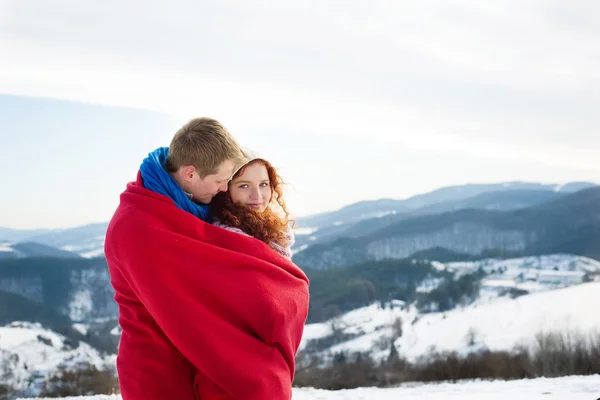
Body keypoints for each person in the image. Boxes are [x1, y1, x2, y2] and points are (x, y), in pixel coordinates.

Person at [104, 118, 310, 400]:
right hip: (162, 376)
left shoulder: (184, 200)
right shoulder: (140, 226)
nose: (225, 190)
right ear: (190, 173)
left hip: (196, 366)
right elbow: (204, 300)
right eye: (221, 181)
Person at [211, 156, 294, 259]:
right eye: (244, 186)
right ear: (226, 189)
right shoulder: (228, 238)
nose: (257, 195)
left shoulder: (275, 230)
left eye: (263, 184)